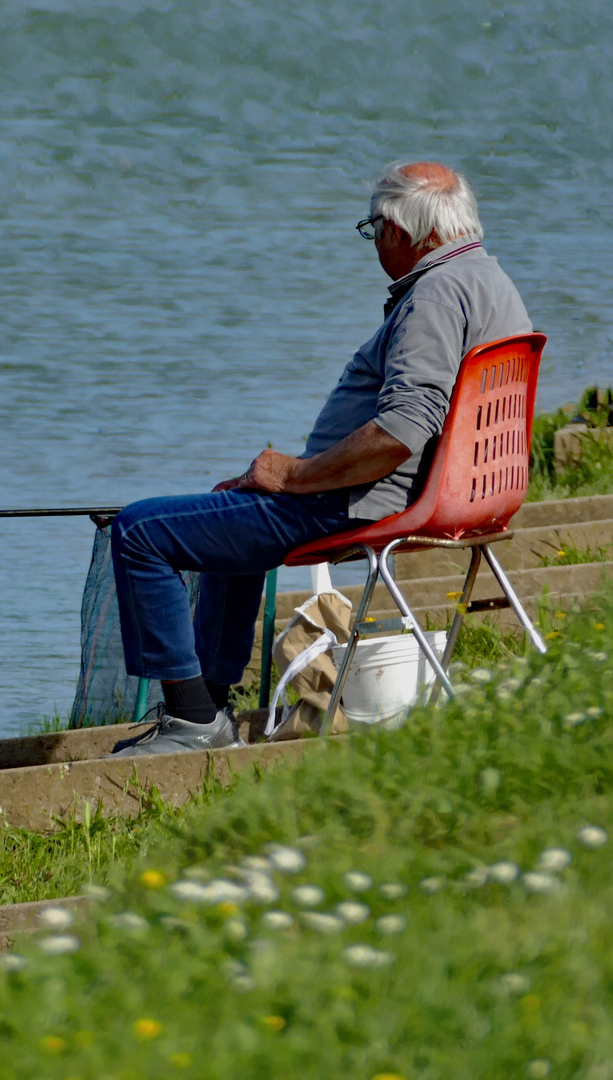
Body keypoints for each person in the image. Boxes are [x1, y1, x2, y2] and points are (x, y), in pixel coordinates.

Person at [107, 161, 532, 757]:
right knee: (232, 511)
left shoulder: (434, 295)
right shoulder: (491, 280)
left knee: (139, 531)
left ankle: (191, 720)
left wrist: (297, 475)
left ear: (400, 233)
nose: (375, 244)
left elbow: (402, 428)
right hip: (455, 493)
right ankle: (208, 704)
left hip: (359, 502)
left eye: (373, 230)